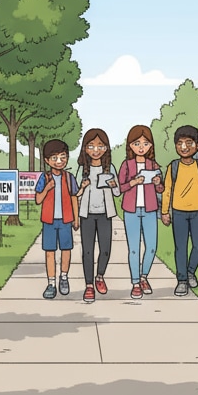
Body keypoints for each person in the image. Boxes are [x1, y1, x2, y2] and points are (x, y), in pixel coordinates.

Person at [160, 124, 198, 295]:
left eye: (188, 143)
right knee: (180, 247)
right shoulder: (173, 167)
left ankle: (190, 271)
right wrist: (164, 212)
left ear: (197, 146)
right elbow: (167, 191)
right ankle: (181, 281)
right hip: (178, 212)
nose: (184, 147)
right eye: (180, 143)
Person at [117, 125, 163, 300]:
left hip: (150, 209)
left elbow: (161, 189)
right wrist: (133, 182)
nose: (141, 147)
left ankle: (144, 276)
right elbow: (120, 188)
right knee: (134, 248)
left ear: (151, 145)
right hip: (131, 210)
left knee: (151, 246)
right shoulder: (126, 165)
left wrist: (158, 181)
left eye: (145, 143)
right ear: (130, 145)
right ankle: (136, 282)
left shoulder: (154, 165)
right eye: (137, 143)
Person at [74, 128, 121, 303]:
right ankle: (88, 285)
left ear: (106, 148)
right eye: (91, 146)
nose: (95, 150)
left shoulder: (110, 168)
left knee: (105, 249)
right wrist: (83, 187)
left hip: (105, 214)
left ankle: (99, 276)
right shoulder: (82, 169)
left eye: (100, 146)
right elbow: (76, 194)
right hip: (86, 215)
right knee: (87, 251)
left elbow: (117, 193)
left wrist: (113, 183)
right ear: (85, 148)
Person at [34, 139, 80, 299]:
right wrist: (47, 188)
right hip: (49, 221)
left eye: (63, 157)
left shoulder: (69, 177)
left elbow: (74, 197)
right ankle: (51, 282)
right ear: (47, 160)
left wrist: (76, 217)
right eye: (54, 158)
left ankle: (64, 277)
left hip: (66, 220)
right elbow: (38, 199)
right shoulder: (44, 178)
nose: (59, 161)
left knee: (66, 250)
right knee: (50, 252)